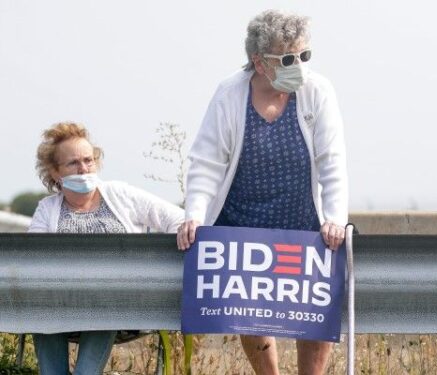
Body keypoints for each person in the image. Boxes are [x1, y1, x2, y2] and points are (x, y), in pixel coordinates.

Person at [176, 10, 348, 375]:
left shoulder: (318, 91)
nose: (298, 66)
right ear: (259, 61)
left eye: (304, 56)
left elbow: (332, 162)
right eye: (287, 59)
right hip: (242, 223)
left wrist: (334, 220)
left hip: (302, 220)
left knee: (312, 310)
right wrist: (194, 214)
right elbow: (206, 163)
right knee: (251, 312)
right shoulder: (229, 93)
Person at [29, 121, 184, 374]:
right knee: (40, 309)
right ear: (56, 173)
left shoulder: (120, 194)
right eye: (73, 163)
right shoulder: (47, 209)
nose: (83, 168)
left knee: (104, 302)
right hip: (61, 304)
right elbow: (33, 260)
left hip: (116, 303)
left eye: (88, 160)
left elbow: (178, 220)